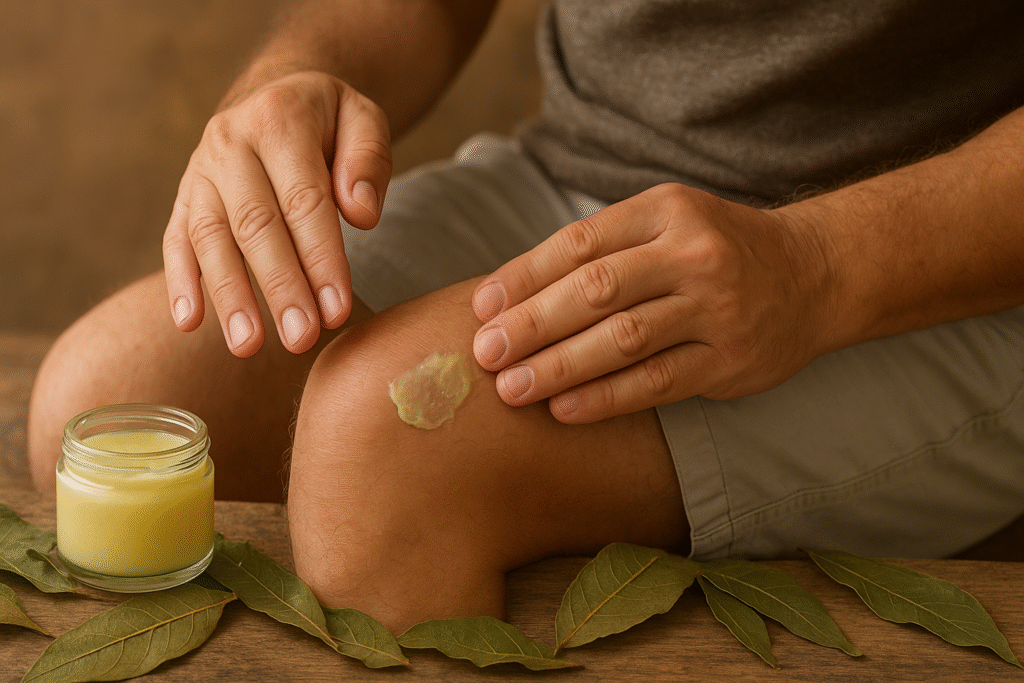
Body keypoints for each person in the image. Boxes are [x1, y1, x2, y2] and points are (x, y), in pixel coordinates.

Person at [27, 0, 1024, 633]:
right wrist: (292, 76)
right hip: (578, 171)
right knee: (109, 395)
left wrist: (812, 266)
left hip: (935, 256)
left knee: (385, 448)